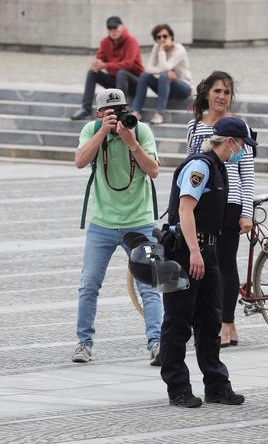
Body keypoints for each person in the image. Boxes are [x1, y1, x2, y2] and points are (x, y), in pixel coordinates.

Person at [161, 117, 255, 408]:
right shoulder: (200, 166)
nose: (242, 150)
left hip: (207, 251)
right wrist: (193, 251)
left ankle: (216, 385)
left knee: (209, 320)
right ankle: (177, 387)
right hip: (185, 252)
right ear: (229, 141)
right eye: (241, 145)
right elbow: (185, 209)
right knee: (178, 321)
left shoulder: (218, 168)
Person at [72, 89, 162, 365]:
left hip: (140, 221)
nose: (117, 116)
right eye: (110, 112)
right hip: (102, 222)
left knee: (150, 284)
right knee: (89, 285)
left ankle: (157, 343)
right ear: (100, 113)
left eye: (121, 110)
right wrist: (102, 133)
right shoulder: (92, 129)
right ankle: (83, 343)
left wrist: (131, 141)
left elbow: (154, 170)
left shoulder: (140, 130)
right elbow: (79, 161)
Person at [186, 71, 255, 348]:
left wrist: (247, 211)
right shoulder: (194, 127)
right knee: (206, 263)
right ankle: (213, 320)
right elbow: (190, 166)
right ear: (207, 94)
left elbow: (246, 171)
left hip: (231, 201)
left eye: (226, 92)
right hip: (203, 202)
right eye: (217, 91)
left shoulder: (239, 127)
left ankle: (227, 324)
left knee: (225, 264)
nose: (222, 97)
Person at [71, 16, 143, 121]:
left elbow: (128, 64)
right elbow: (100, 58)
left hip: (134, 83)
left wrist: (105, 65)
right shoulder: (105, 42)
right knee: (92, 73)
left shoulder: (131, 41)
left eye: (115, 28)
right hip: (116, 82)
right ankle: (85, 109)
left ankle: (120, 111)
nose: (113, 31)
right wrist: (96, 64)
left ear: (122, 27)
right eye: (110, 28)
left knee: (122, 73)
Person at [129, 24, 192, 125]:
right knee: (144, 76)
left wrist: (162, 51)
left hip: (183, 88)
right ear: (156, 39)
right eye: (159, 37)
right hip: (165, 85)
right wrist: (163, 70)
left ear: (171, 36)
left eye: (165, 36)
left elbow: (166, 67)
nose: (162, 39)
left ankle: (159, 114)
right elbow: (148, 68)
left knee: (163, 75)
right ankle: (136, 112)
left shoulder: (179, 50)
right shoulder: (156, 47)